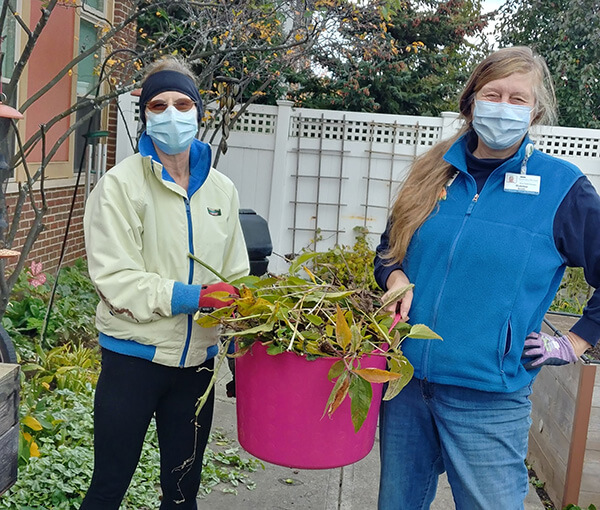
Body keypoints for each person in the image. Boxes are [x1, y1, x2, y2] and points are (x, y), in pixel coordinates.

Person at [374, 46, 600, 510]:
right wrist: (394, 276)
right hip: (405, 384)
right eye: (493, 94)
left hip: (489, 399)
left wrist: (576, 341)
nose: (503, 106)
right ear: (471, 101)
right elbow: (387, 250)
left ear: (535, 111)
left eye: (518, 99)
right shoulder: (431, 173)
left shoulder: (562, 188)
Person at [81, 57, 249, 509]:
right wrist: (191, 297)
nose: (172, 114)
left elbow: (234, 277)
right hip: (132, 362)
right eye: (159, 105)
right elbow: (115, 279)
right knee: (109, 485)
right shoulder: (119, 187)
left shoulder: (222, 191)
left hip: (196, 367)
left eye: (181, 103)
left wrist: (236, 347)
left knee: (181, 492)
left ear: (199, 110)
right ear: (145, 115)